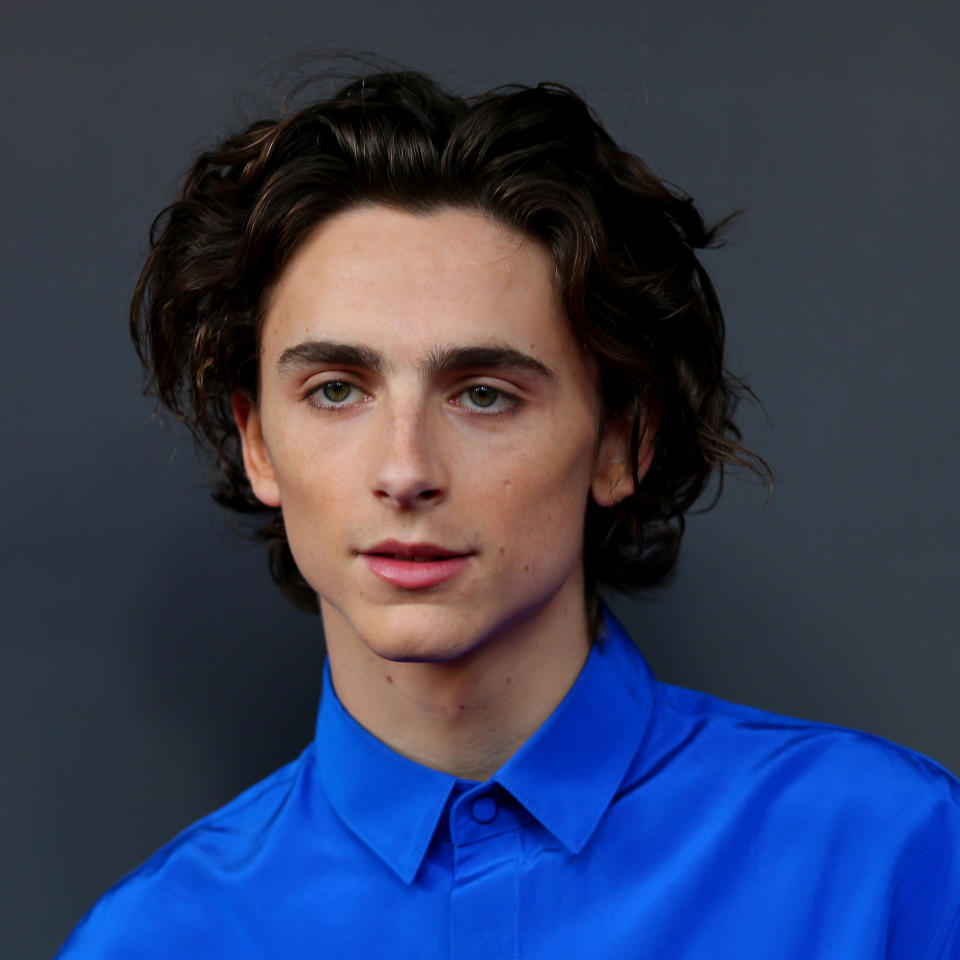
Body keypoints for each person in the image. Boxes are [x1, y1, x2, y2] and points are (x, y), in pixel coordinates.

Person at [56, 68, 959, 959]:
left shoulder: (887, 854)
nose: (405, 470)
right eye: (336, 390)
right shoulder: (153, 938)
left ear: (622, 440)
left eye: (483, 395)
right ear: (259, 444)